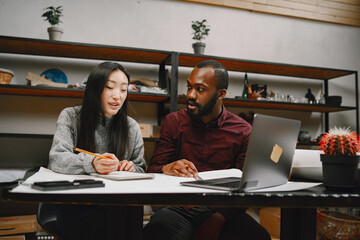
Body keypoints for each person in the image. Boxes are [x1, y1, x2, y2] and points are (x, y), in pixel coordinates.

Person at [143, 60, 271, 240]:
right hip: (180, 208)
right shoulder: (173, 122)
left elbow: (245, 188)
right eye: (189, 87)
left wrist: (218, 219)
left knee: (258, 237)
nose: (191, 95)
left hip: (223, 211)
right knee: (157, 231)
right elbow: (153, 170)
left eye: (200, 89)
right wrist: (166, 167)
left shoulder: (243, 131)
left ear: (221, 93)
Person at [48, 61, 146, 240]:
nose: (117, 96)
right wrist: (92, 163)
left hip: (119, 205)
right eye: (110, 87)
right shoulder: (70, 116)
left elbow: (140, 166)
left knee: (125, 212)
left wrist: (129, 167)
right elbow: (57, 158)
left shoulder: (131, 126)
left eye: (123, 90)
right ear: (95, 88)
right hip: (79, 203)